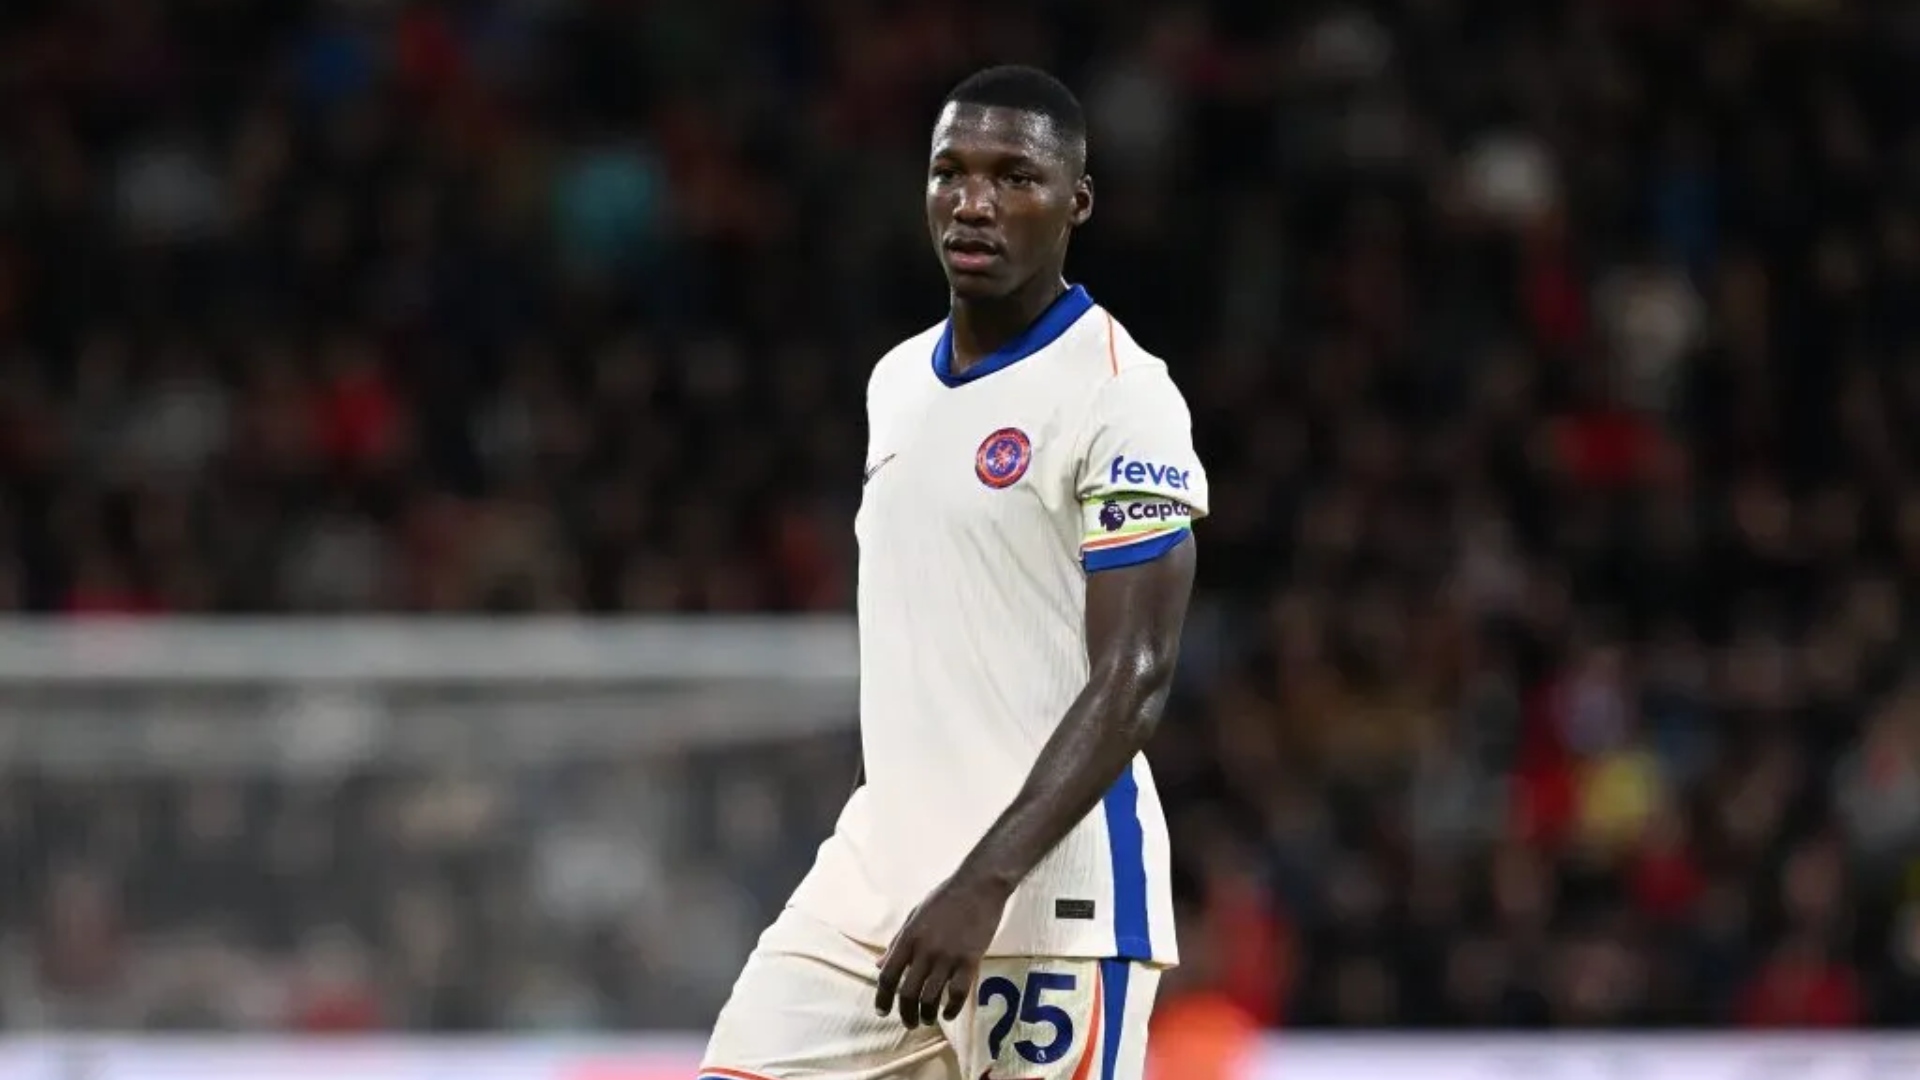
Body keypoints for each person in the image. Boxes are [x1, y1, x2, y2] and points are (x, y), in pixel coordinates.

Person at [699, 64, 1208, 1080]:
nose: (975, 201)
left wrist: (985, 883)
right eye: (952, 172)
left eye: (1015, 177)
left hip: (1051, 904)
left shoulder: (1122, 396)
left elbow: (1137, 675)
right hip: (875, 887)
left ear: (1076, 201)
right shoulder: (896, 383)